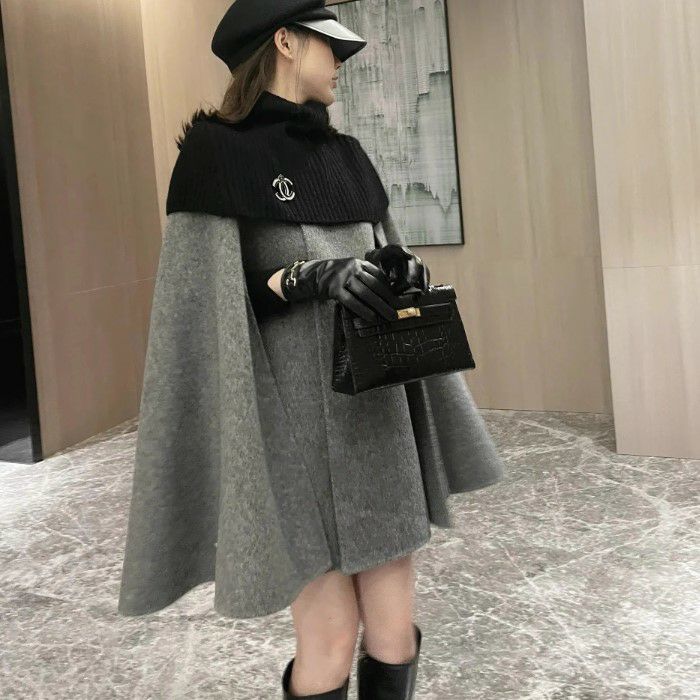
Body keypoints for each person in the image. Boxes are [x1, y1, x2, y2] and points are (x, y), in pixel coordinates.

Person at [117, 2, 506, 699]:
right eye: (330, 46)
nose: (342, 64)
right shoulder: (215, 154)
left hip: (374, 422)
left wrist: (395, 269)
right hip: (288, 433)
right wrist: (303, 279)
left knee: (393, 631)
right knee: (328, 639)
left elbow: (379, 248)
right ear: (286, 41)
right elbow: (205, 306)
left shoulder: (345, 155)